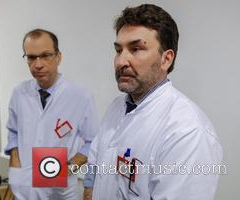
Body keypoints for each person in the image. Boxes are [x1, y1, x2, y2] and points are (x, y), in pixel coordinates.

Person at [84, 4, 223, 200]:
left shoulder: (188, 132)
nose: (121, 61)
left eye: (136, 49)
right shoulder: (117, 106)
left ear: (166, 59)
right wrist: (90, 188)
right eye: (118, 50)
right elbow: (97, 158)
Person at [5, 28, 99, 199]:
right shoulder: (19, 92)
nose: (38, 64)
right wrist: (15, 168)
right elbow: (13, 132)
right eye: (31, 57)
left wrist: (67, 169)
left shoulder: (80, 96)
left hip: (61, 191)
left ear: (58, 57)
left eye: (46, 55)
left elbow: (93, 141)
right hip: (24, 187)